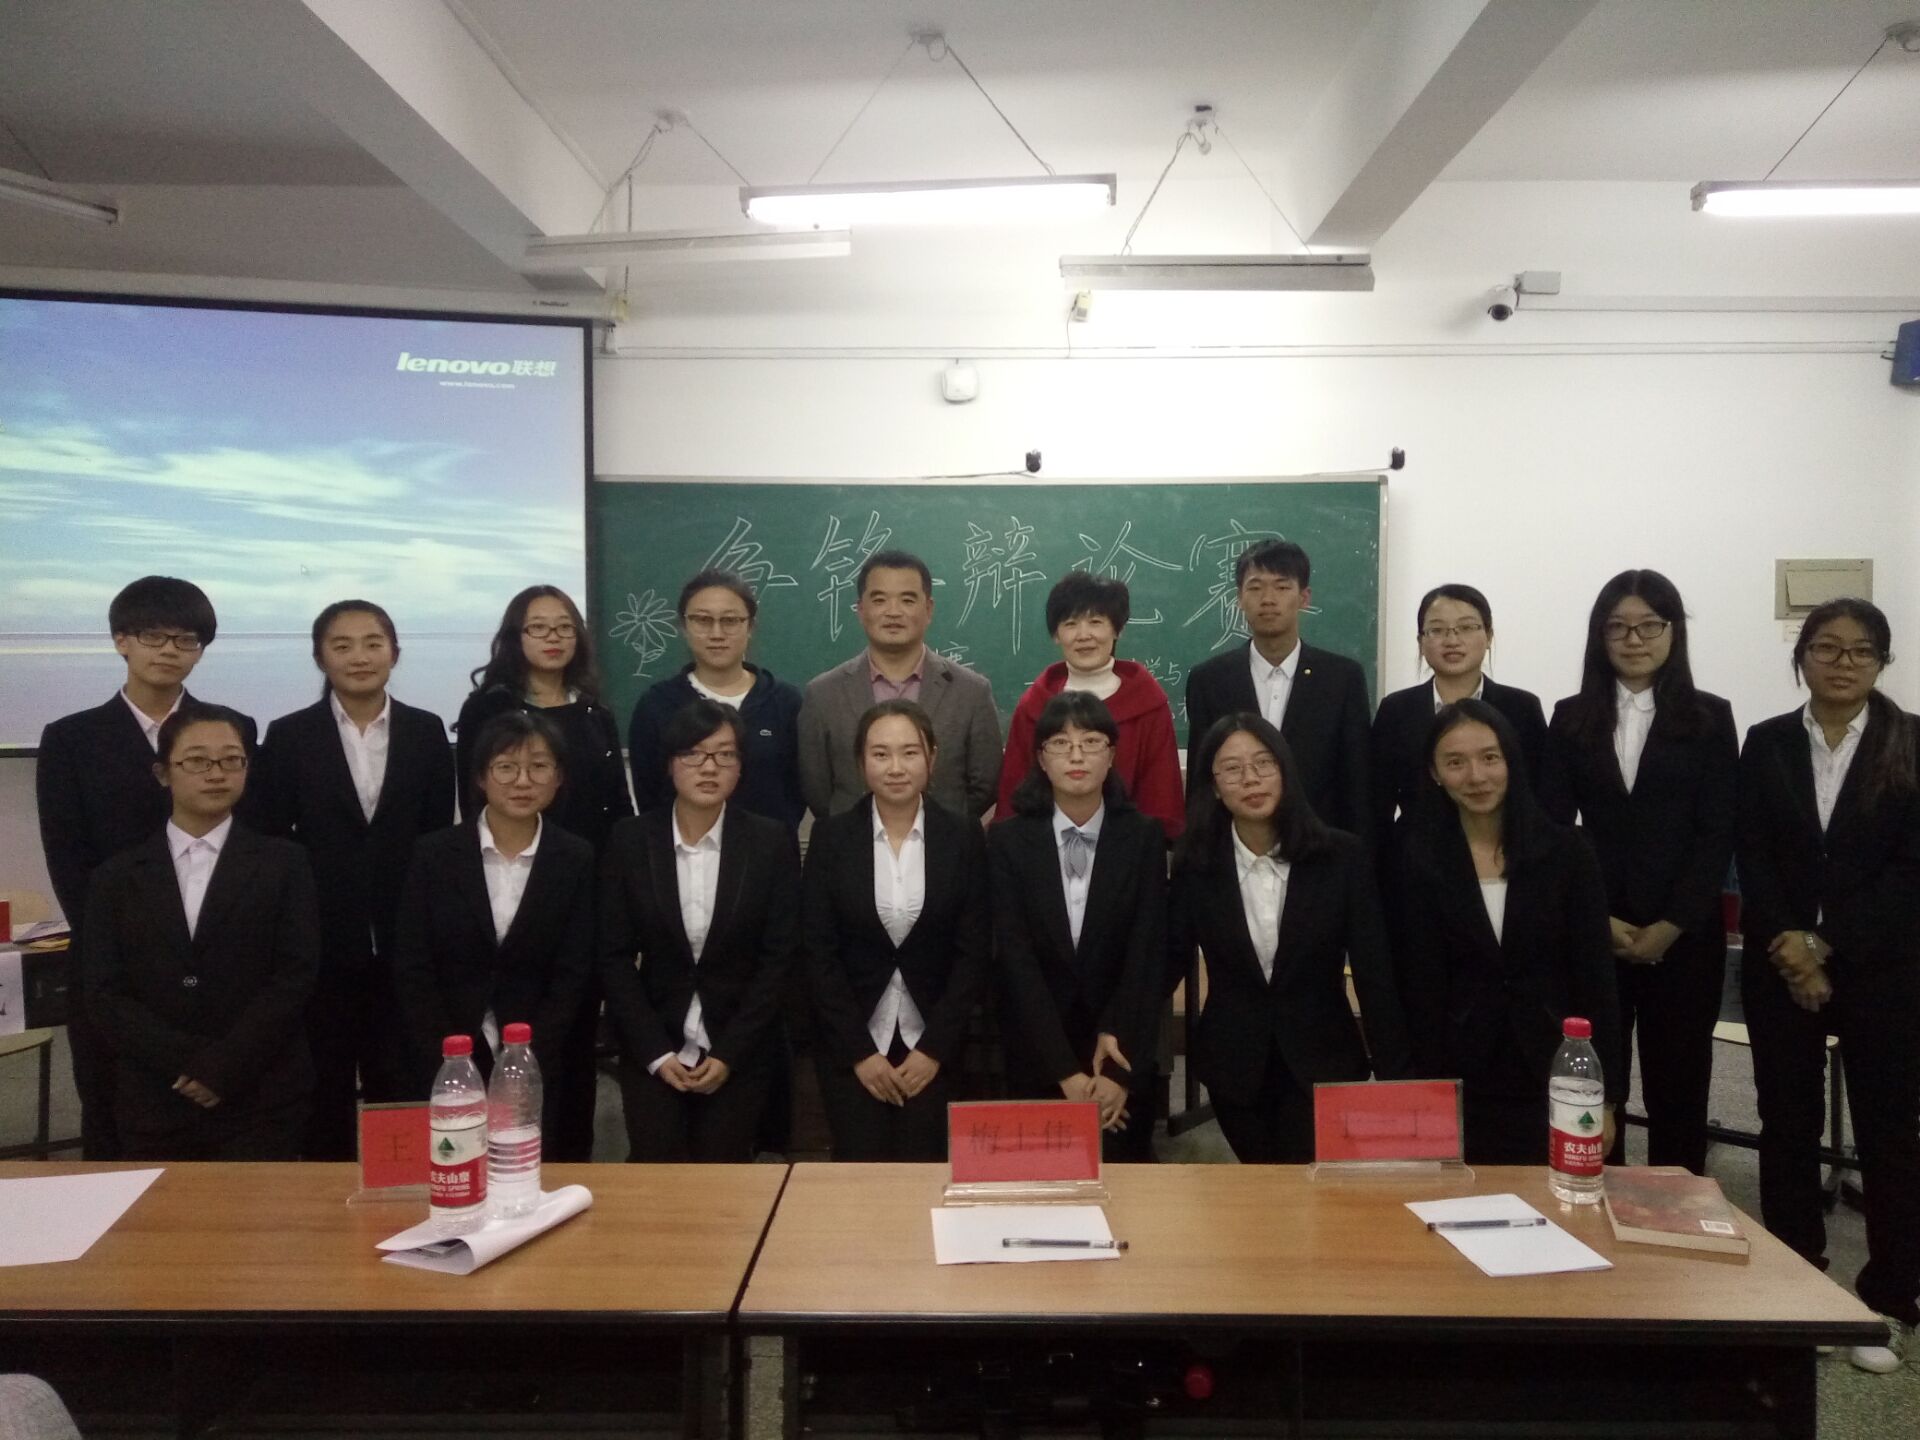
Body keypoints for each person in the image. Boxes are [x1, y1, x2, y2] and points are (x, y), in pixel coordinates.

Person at [1737, 598, 1920, 1373]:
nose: (1843, 663)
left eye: (1861, 651)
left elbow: (1910, 871)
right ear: (1802, 656)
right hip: (1781, 963)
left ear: (1882, 662)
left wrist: (1825, 942)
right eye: (1827, 648)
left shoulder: (1911, 743)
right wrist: (1791, 947)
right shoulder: (1767, 741)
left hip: (1884, 968)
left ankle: (1891, 1299)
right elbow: (1753, 851)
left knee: (1890, 1133)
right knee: (1787, 1125)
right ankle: (1798, 1282)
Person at [37, 576, 256, 1160]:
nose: (169, 651)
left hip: (217, 958)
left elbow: (246, 847)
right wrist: (124, 946)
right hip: (117, 968)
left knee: (230, 1120)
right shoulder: (70, 739)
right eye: (152, 636)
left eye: (186, 639)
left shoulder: (231, 727)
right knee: (114, 1121)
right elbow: (68, 859)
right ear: (121, 641)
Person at [1538, 570, 1737, 1174]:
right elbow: (1551, 830)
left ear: (1673, 632)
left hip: (1684, 937)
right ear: (1600, 636)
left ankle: (1676, 1212)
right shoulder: (1570, 717)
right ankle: (1597, 1204)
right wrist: (1596, 920)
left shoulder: (1710, 717)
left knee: (1680, 1087)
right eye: (1618, 627)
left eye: (1649, 625)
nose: (1634, 639)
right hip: (1595, 933)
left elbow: (1717, 834)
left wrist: (1672, 925)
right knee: (1596, 1086)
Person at [246, 600, 455, 1161]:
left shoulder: (426, 730)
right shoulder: (288, 736)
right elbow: (271, 843)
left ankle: (404, 1188)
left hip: (405, 943)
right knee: (323, 1085)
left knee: (402, 1080)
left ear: (394, 653)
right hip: (320, 942)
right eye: (342, 645)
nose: (359, 656)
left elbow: (437, 841)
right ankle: (326, 1196)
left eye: (373, 643)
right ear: (320, 658)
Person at [1387, 699, 1622, 1164]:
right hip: (1454, 1072)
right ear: (1434, 773)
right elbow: (1413, 982)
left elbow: (1596, 978)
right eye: (1456, 762)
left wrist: (1607, 1096)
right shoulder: (1411, 856)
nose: (1476, 776)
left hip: (1552, 1067)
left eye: (1490, 758)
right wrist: (1411, 1085)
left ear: (1511, 760)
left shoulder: (1567, 852)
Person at [83, 703, 318, 1161]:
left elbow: (295, 975)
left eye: (231, 760)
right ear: (162, 773)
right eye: (197, 761)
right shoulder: (116, 876)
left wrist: (226, 1065)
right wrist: (188, 1064)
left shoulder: (286, 863)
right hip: (156, 1093)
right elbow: (104, 992)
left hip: (261, 1090)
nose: (216, 773)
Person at [1172, 714, 1411, 1163]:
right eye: (1232, 769)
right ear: (1214, 785)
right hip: (1234, 1066)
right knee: (1261, 1184)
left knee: (1315, 1187)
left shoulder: (1341, 857)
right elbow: (1166, 959)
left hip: (1325, 1061)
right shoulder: (1196, 865)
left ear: (1285, 770)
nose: (1251, 779)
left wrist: (1396, 1076)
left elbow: (1374, 972)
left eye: (1263, 763)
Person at [455, 585, 632, 1161]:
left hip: (583, 894)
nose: (553, 638)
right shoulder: (489, 708)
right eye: (538, 627)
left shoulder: (595, 712)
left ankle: (571, 1170)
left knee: (571, 1045)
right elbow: (474, 801)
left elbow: (616, 810)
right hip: (508, 888)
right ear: (516, 636)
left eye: (564, 627)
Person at [601, 699, 801, 1162]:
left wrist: (731, 1053)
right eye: (693, 753)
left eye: (725, 754)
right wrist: (655, 1052)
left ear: (741, 767)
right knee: (658, 1173)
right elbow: (612, 956)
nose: (709, 767)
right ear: (669, 763)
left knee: (726, 1174)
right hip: (654, 1043)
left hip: (739, 1046)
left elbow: (779, 958)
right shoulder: (630, 841)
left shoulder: (769, 842)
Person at [391, 711, 596, 1135]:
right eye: (506, 767)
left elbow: (573, 970)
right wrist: (446, 1052)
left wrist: (530, 1054)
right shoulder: (434, 855)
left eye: (539, 766)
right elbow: (413, 963)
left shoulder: (575, 858)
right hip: (444, 1055)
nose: (522, 781)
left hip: (538, 1056)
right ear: (481, 777)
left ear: (559, 777)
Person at [803, 700, 990, 1161]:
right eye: (880, 754)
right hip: (852, 1047)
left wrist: (934, 1050)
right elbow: (818, 953)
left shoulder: (964, 837)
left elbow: (973, 952)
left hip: (935, 1047)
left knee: (927, 1173)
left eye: (909, 752)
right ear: (860, 762)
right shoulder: (830, 838)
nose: (895, 768)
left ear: (932, 757)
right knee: (859, 1175)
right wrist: (859, 1053)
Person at [990, 693, 1168, 1162]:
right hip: (1038, 1055)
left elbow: (1146, 956)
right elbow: (1015, 960)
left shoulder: (1143, 838)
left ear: (1111, 755)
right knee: (1039, 1184)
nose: (1076, 755)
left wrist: (1116, 1073)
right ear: (1040, 758)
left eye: (1090, 742)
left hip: (1120, 1058)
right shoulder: (1008, 841)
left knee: (1126, 1186)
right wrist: (1065, 1074)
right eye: (1060, 743)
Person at [1183, 540, 1372, 841]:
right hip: (1235, 846)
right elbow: (1201, 780)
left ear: (1304, 597)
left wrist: (1356, 856)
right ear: (1239, 598)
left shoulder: (1342, 678)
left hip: (1321, 845)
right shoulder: (1209, 680)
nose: (1268, 599)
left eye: (1282, 587)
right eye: (1255, 587)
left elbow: (1357, 782)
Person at [798, 550, 1002, 822]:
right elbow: (817, 790)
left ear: (928, 609)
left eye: (907, 600)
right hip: (852, 842)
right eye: (879, 600)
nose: (893, 612)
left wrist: (945, 828)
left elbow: (985, 784)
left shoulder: (972, 692)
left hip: (944, 842)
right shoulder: (823, 694)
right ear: (861, 610)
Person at [993, 573, 1183, 839]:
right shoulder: (1034, 706)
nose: (1084, 636)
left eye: (1096, 622)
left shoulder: (1148, 702)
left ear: (1117, 630)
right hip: (1043, 848)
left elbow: (1160, 796)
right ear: (1056, 634)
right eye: (1070, 624)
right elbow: (1014, 798)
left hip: (1132, 849)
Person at [627, 569, 805, 831]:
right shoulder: (657, 705)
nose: (717, 633)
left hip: (770, 850)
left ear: (750, 626)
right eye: (702, 620)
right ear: (684, 626)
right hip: (682, 850)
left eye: (730, 621)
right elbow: (649, 793)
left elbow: (800, 789)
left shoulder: (785, 702)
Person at [1370, 584, 1546, 842]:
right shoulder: (1396, 710)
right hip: (1415, 853)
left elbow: (1538, 796)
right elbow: (1377, 803)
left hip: (1506, 849)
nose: (1452, 641)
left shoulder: (1521, 708)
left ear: (1488, 636)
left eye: (1466, 627)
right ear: (1420, 642)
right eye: (1437, 630)